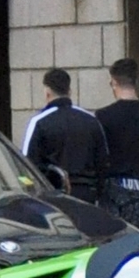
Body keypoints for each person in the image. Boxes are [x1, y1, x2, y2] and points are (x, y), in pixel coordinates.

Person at [21, 67, 109, 204]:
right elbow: (103, 162)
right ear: (69, 91)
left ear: (47, 91)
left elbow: (28, 165)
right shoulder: (90, 120)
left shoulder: (39, 122)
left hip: (54, 195)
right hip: (87, 194)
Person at [94, 57, 139, 228]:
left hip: (113, 190)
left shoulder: (103, 116)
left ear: (114, 82)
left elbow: (98, 154)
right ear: (135, 81)